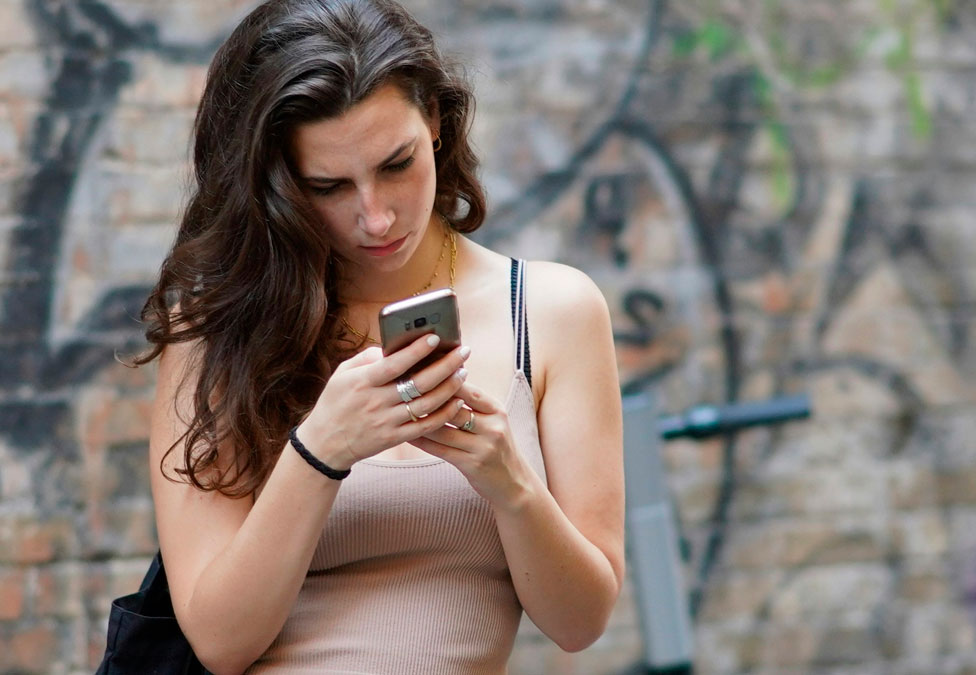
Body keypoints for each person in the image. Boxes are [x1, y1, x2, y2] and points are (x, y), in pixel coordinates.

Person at [133, 0, 624, 672]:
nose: (376, 215)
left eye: (397, 163)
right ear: (275, 187)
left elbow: (580, 621)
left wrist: (507, 481)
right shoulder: (216, 330)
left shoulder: (550, 310)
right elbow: (220, 642)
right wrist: (321, 449)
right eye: (329, 185)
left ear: (437, 124)